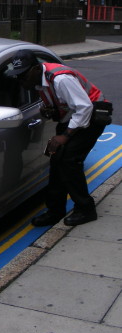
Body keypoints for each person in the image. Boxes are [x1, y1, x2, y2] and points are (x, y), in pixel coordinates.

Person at [7, 50, 109, 227]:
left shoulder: (61, 79)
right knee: (55, 158)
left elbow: (84, 108)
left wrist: (65, 136)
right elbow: (62, 106)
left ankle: (86, 209)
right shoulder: (37, 82)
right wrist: (49, 111)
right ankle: (55, 211)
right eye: (17, 76)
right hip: (72, 117)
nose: (20, 81)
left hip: (92, 116)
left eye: (23, 76)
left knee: (69, 160)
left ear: (36, 69)